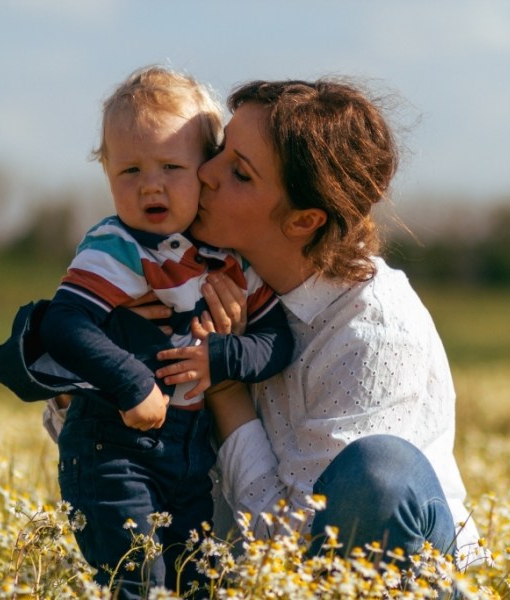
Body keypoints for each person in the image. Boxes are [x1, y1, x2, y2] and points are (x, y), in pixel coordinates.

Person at [153, 77, 484, 568]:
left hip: (380, 575)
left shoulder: (372, 331)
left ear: (303, 221)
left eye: (240, 173)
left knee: (379, 472)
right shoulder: (202, 275)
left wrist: (225, 390)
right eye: (221, 148)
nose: (205, 172)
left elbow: (294, 545)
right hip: (235, 570)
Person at [0, 66, 294, 598]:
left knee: (193, 578)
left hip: (192, 455)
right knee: (135, 579)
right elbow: (65, 323)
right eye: (129, 170)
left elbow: (278, 341)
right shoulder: (114, 247)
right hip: (113, 446)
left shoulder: (226, 258)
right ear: (105, 172)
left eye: (171, 166)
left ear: (206, 169)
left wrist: (220, 359)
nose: (150, 183)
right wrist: (132, 382)